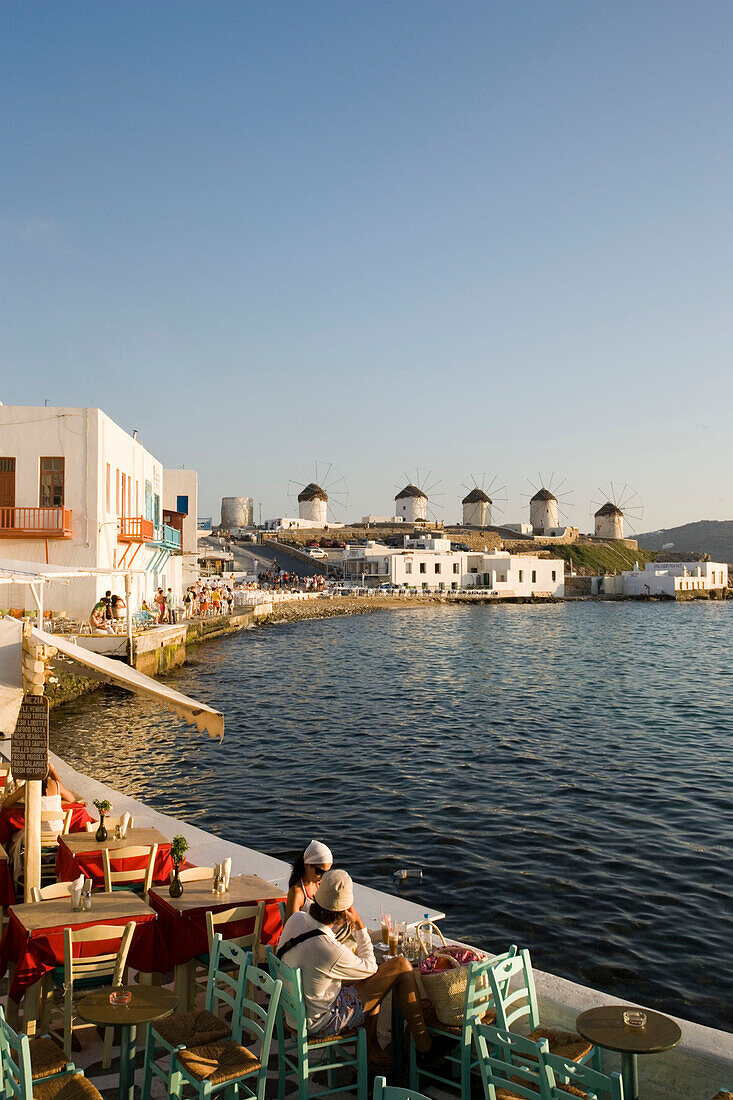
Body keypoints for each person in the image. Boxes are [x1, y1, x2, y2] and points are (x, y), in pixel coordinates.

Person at [277, 869, 433, 1066]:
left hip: (295, 1014)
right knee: (400, 965)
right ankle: (423, 1045)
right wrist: (360, 926)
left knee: (370, 983)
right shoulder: (329, 949)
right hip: (321, 1023)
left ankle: (373, 1049)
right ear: (343, 913)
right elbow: (370, 967)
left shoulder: (296, 919)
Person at [284, 839, 333, 921]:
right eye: (319, 871)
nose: (323, 877)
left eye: (327, 872)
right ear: (307, 865)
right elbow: (290, 928)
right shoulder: (297, 893)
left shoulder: (321, 885)